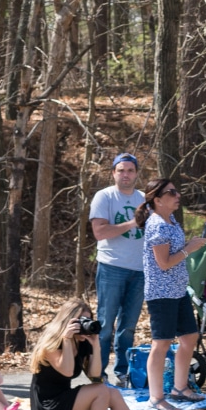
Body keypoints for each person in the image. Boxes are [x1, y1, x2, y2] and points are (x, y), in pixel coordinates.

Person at [30, 300, 174, 410]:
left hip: (65, 402)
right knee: (101, 391)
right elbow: (67, 371)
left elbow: (95, 375)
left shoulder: (82, 342)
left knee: (112, 393)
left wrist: (95, 345)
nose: (84, 325)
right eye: (81, 321)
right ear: (67, 321)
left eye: (87, 320)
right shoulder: (52, 345)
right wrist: (66, 340)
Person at [136, 178, 206, 410]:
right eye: (171, 192)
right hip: (161, 293)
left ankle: (180, 387)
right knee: (161, 344)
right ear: (157, 200)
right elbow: (164, 263)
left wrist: (188, 246)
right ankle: (156, 398)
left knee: (189, 337)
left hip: (178, 290)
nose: (177, 195)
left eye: (176, 191)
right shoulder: (157, 225)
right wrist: (190, 248)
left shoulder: (172, 220)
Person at [89, 153, 146, 386]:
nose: (126, 175)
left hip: (139, 271)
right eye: (121, 170)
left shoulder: (144, 198)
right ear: (113, 173)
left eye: (130, 170)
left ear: (136, 173)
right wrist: (134, 222)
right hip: (112, 268)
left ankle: (123, 372)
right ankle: (98, 374)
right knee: (104, 325)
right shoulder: (104, 197)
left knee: (128, 327)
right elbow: (100, 232)